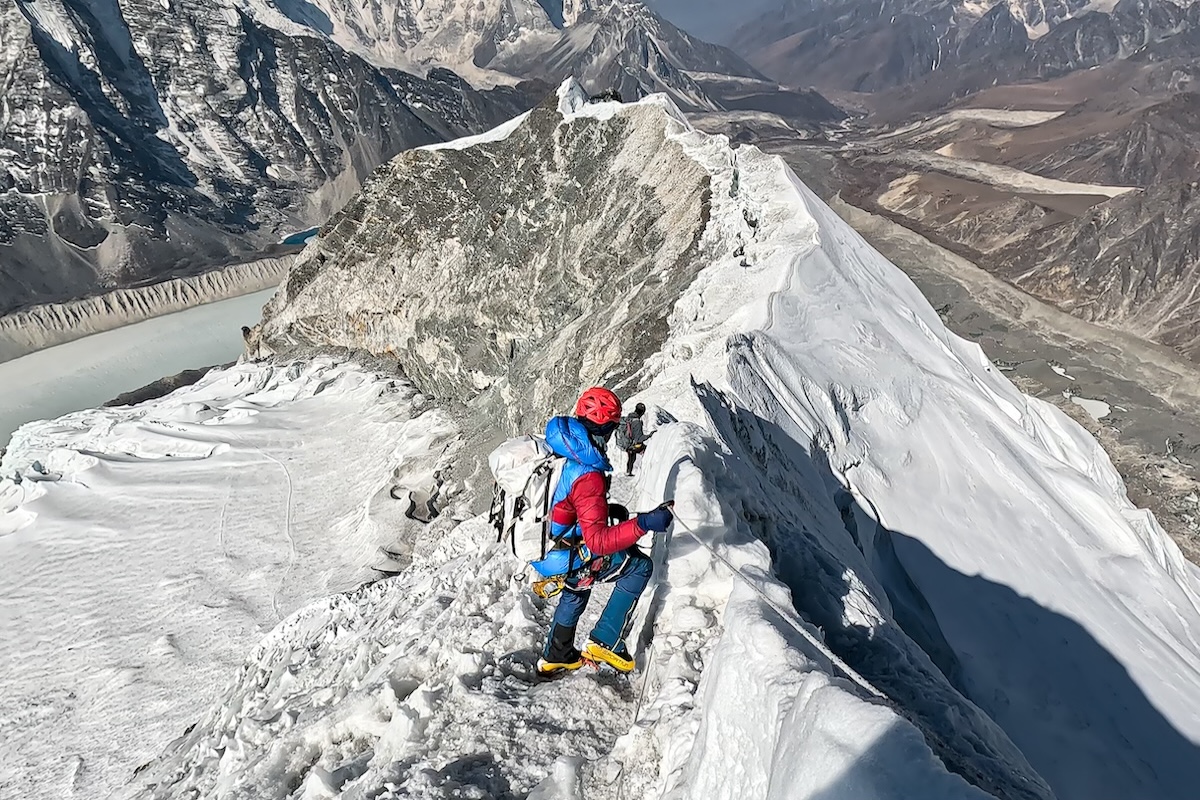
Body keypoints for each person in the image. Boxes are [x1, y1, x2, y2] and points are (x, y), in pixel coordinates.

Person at [536, 387, 674, 675]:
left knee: (580, 582)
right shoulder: (588, 473)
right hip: (565, 552)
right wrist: (643, 523)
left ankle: (557, 653)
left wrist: (607, 511)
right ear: (606, 428)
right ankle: (606, 641)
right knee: (637, 565)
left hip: (546, 545)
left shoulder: (561, 448)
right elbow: (598, 543)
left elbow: (564, 501)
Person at [618, 402, 653, 476]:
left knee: (631, 457)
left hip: (626, 443)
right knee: (648, 449)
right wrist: (649, 435)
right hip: (632, 445)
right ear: (642, 412)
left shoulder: (629, 418)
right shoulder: (637, 422)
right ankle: (646, 472)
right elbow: (639, 438)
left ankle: (629, 471)